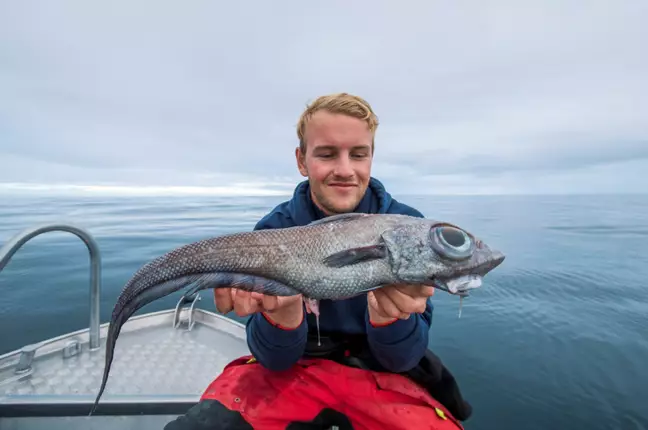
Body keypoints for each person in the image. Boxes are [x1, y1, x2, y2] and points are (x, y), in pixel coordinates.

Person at [164, 93, 472, 430]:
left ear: (371, 157)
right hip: (297, 371)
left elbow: (402, 358)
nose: (345, 170)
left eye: (358, 154)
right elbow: (275, 360)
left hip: (382, 376)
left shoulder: (409, 228)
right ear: (302, 160)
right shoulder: (274, 230)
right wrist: (282, 318)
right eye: (326, 154)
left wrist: (390, 320)